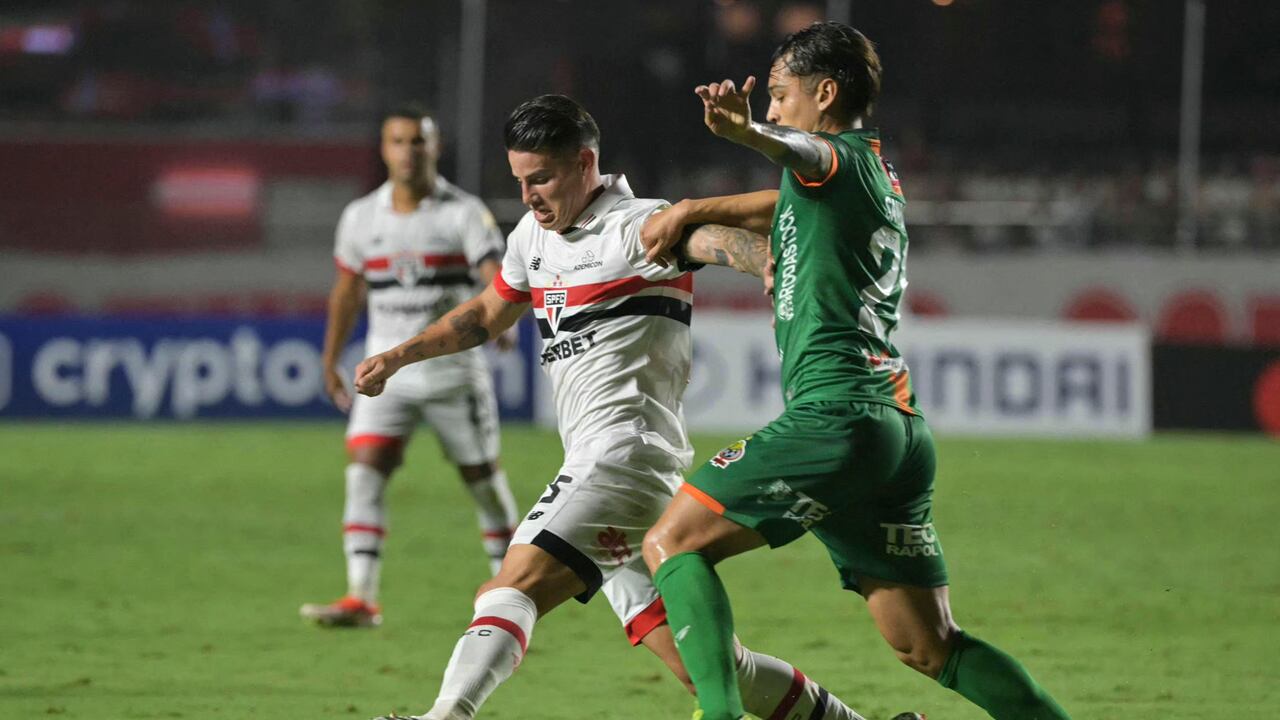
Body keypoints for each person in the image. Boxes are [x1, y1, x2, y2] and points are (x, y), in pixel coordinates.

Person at [355, 95, 902, 720]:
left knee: (510, 587)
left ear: (585, 163)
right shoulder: (532, 235)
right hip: (640, 473)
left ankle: (446, 715)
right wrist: (399, 356)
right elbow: (484, 314)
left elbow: (713, 240)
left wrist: (761, 261)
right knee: (715, 668)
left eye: (542, 178)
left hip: (620, 459)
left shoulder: (639, 225)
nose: (529, 194)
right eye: (519, 180)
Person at [640, 22, 1073, 720]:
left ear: (827, 93)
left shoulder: (831, 158)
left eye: (780, 95)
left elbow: (797, 152)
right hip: (894, 430)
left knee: (672, 542)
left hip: (835, 416)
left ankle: (718, 716)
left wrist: (748, 133)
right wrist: (693, 209)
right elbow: (779, 197)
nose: (774, 108)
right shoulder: (871, 176)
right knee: (929, 646)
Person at [300, 105, 520, 628]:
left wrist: (502, 318)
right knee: (364, 475)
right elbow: (348, 292)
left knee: (483, 481)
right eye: (398, 141)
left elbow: (494, 271)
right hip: (383, 376)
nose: (407, 151)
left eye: (417, 141)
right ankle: (361, 596)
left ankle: (512, 590)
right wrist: (330, 360)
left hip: (452, 373)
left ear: (435, 146)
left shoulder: (463, 212)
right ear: (384, 148)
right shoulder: (361, 217)